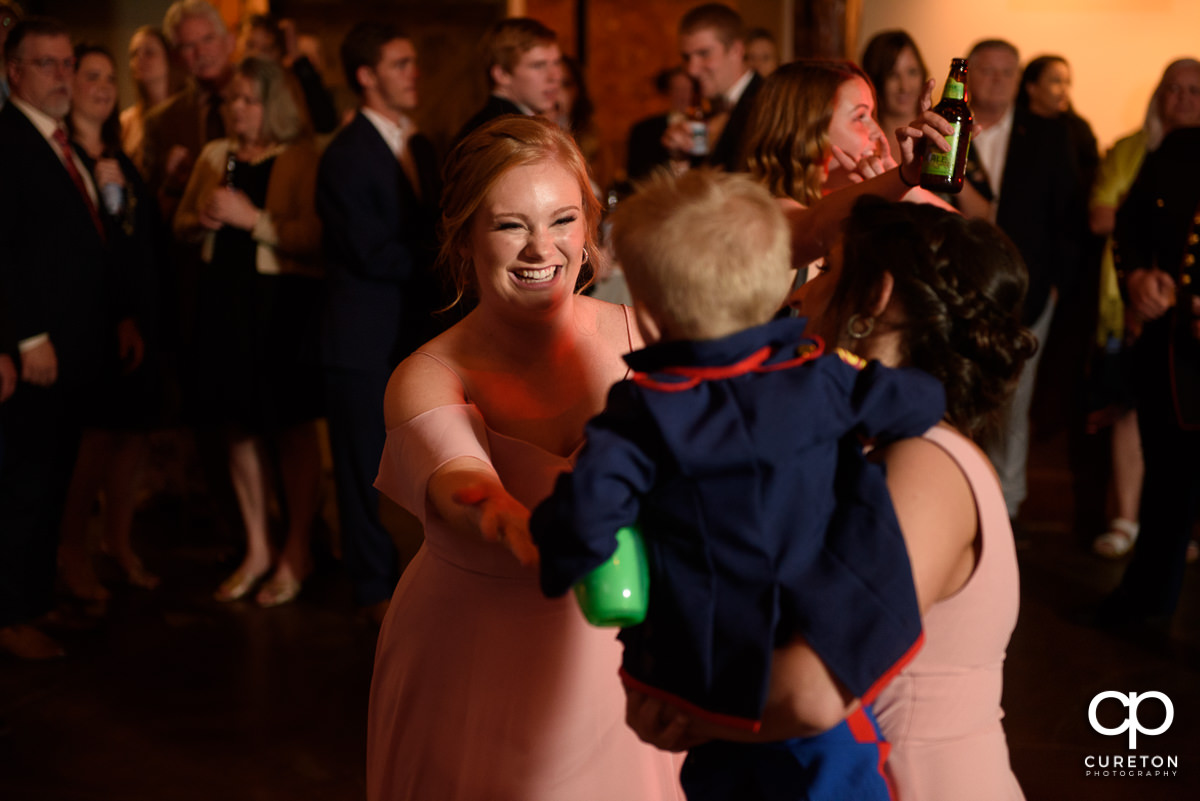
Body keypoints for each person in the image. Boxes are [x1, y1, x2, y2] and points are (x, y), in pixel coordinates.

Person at [531, 170, 945, 801]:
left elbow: (585, 523)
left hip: (704, 682)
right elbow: (918, 401)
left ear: (650, 313)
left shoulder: (642, 413)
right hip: (820, 660)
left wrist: (558, 546)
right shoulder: (823, 380)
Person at [626, 197, 1036, 801]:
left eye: (827, 271)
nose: (799, 295)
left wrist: (687, 710)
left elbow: (812, 690)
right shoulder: (880, 444)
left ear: (874, 296)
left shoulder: (928, 462)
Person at [367, 116, 684, 800]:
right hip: (474, 659)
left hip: (627, 653)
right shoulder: (427, 372)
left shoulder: (647, 330)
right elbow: (459, 480)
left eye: (564, 219)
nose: (543, 247)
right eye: (511, 225)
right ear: (464, 237)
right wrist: (516, 523)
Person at [0, 17, 135, 659]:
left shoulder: (62, 143)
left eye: (65, 63)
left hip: (76, 345)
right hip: (38, 352)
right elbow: (3, 253)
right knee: (27, 483)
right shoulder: (7, 141)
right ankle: (11, 616)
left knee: (52, 480)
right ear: (13, 72)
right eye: (46, 64)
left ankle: (34, 602)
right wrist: (25, 339)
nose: (61, 76)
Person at [173, 56, 324, 607]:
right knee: (236, 426)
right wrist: (201, 220)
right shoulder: (216, 155)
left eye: (249, 100)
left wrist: (251, 220)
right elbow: (181, 224)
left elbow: (316, 236)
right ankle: (258, 548)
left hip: (280, 304)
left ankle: (297, 549)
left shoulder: (303, 158)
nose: (237, 110)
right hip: (222, 302)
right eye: (232, 100)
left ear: (274, 106)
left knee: (289, 427)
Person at [316, 21, 440, 623]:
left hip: (410, 329)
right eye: (399, 63)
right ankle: (371, 589)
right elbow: (368, 250)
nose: (413, 73)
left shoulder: (418, 146)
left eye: (413, 62)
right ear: (366, 76)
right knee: (363, 468)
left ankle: (422, 580)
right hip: (360, 334)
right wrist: (448, 258)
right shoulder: (344, 155)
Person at [961, 39, 1083, 524]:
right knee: (960, 393)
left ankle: (1006, 507)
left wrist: (1055, 285)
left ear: (1019, 78)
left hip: (1030, 293)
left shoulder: (1049, 136)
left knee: (1014, 402)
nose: (997, 79)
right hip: (959, 286)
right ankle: (961, 500)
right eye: (986, 70)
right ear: (968, 75)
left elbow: (1069, 218)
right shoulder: (950, 129)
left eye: (1007, 71)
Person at [57, 43, 160, 601]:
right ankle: (72, 549)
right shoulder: (63, 157)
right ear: (69, 83)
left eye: (108, 78)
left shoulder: (120, 154)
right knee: (93, 441)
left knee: (133, 437)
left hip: (138, 311)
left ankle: (117, 544)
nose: (102, 86)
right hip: (95, 317)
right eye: (90, 76)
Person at [1088, 59, 1200, 560]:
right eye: (1173, 89)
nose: (1183, 100)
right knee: (1164, 456)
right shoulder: (1166, 150)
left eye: (1194, 90)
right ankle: (1148, 588)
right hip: (1167, 336)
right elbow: (1126, 226)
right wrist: (1135, 276)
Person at [742, 59, 952, 211]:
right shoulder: (771, 215)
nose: (877, 133)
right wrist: (897, 182)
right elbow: (814, 229)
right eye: (859, 117)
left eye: (872, 115)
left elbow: (969, 248)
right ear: (807, 130)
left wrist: (904, 182)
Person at [141, 0, 236, 216]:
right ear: (176, 56)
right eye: (188, 46)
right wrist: (172, 181)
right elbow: (150, 207)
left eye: (208, 39)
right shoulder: (161, 121)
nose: (201, 52)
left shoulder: (263, 101)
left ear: (229, 41)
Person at [662, 3, 762, 173]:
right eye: (686, 57)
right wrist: (681, 157)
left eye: (704, 53)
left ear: (736, 50)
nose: (692, 69)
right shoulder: (704, 109)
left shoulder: (765, 102)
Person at [455, 17, 561, 143]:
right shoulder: (503, 134)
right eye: (538, 65)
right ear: (502, 74)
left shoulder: (512, 126)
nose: (555, 76)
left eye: (556, 62)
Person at [237, 13, 338, 135]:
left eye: (266, 49)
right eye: (250, 46)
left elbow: (325, 121)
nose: (257, 56)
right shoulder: (232, 85)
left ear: (279, 53)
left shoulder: (291, 86)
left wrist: (298, 61)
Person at [119, 26, 186, 174]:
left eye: (149, 53)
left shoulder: (187, 113)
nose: (140, 59)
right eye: (134, 54)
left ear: (168, 58)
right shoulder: (126, 122)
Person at [860, 29, 928, 169]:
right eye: (892, 75)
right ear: (875, 80)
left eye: (912, 72)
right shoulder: (862, 141)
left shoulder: (940, 136)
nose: (905, 86)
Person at [626, 67, 698, 182]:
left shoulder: (707, 125)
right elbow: (636, 176)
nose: (683, 96)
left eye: (687, 90)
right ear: (668, 92)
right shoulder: (644, 130)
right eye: (677, 90)